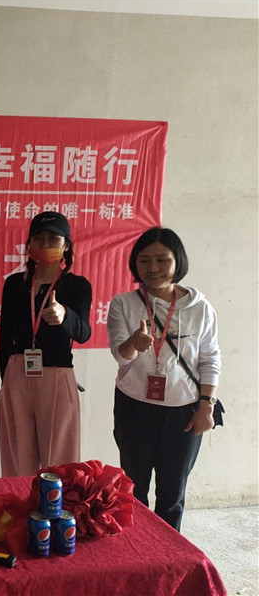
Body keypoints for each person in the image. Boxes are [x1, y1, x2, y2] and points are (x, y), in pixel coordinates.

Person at [107, 227, 221, 531]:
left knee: (172, 494)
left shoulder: (199, 307)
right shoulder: (124, 303)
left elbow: (210, 358)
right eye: (144, 260)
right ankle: (135, 549)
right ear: (135, 263)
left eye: (162, 260)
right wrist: (133, 343)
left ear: (177, 261)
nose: (153, 268)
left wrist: (206, 406)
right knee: (133, 490)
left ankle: (167, 554)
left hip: (184, 411)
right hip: (134, 407)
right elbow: (121, 356)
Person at [0, 212, 91, 477]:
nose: (45, 244)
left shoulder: (76, 286)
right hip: (18, 373)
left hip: (57, 375)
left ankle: (55, 503)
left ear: (67, 245)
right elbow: (5, 337)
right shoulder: (15, 284)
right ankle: (19, 502)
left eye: (53, 239)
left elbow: (84, 333)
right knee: (18, 457)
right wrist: (5, 381)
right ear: (29, 245)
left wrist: (65, 315)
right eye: (38, 238)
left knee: (59, 460)